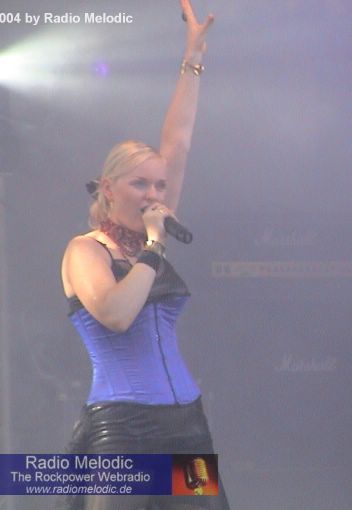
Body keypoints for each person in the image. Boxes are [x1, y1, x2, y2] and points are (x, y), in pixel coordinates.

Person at [59, 2, 229, 509]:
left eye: (159, 185)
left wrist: (192, 58)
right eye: (140, 184)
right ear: (109, 188)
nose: (155, 194)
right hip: (124, 430)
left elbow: (178, 141)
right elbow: (116, 315)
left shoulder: (151, 235)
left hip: (187, 425)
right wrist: (155, 247)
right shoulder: (85, 250)